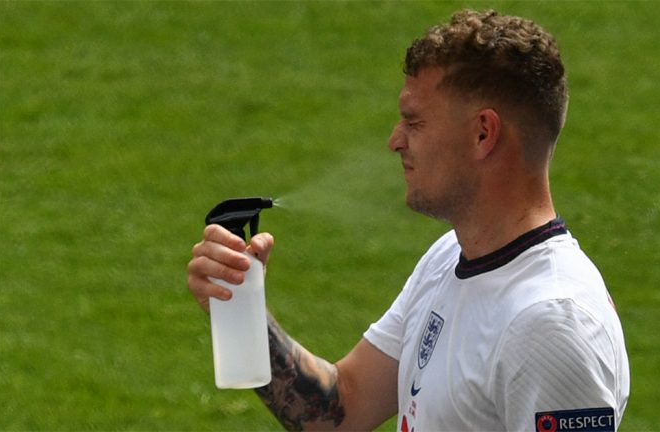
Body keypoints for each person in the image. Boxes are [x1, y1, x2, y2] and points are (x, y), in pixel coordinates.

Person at [187, 9, 630, 431]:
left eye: (414, 122)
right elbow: (344, 406)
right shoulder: (449, 259)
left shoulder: (550, 324)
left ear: (483, 133)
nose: (395, 140)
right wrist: (241, 310)